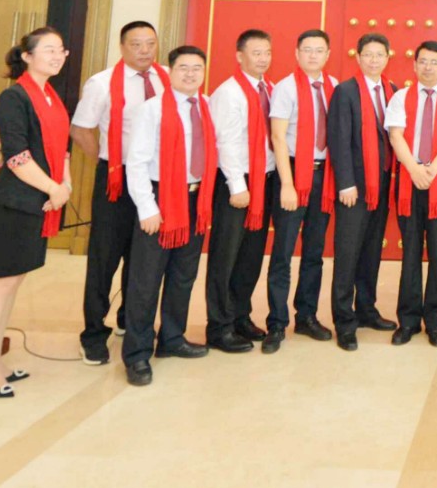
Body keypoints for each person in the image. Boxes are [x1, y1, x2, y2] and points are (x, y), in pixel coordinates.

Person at [0, 27, 73, 398]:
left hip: (40, 202)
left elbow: (61, 148)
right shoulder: (14, 97)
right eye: (48, 49)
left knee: (13, 282)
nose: (57, 55)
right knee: (0, 284)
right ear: (27, 56)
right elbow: (17, 156)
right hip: (16, 202)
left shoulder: (52, 96)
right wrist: (53, 188)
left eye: (60, 50)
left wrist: (65, 185)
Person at [69, 20, 166, 366]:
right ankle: (93, 334)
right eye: (136, 44)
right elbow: (81, 129)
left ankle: (130, 318)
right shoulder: (102, 83)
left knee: (142, 255)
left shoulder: (166, 77)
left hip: (155, 180)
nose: (144, 51)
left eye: (150, 43)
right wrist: (107, 160)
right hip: (116, 178)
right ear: (122, 47)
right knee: (105, 257)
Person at [121, 45, 219, 387]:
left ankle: (172, 338)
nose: (191, 74)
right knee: (146, 280)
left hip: (195, 200)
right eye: (183, 68)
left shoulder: (206, 106)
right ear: (170, 72)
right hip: (161, 199)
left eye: (197, 68)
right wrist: (147, 208)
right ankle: (137, 353)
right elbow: (136, 162)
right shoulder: (152, 109)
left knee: (183, 275)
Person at [384, 41, 437, 346]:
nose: (428, 67)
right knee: (410, 252)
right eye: (423, 61)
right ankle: (407, 321)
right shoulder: (400, 97)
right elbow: (395, 135)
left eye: (434, 62)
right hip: (409, 178)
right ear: (414, 64)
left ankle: (434, 322)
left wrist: (430, 170)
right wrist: (414, 169)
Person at [262, 29, 339, 351]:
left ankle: (306, 316)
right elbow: (277, 137)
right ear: (296, 53)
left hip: (324, 177)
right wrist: (287, 184)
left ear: (328, 54)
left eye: (319, 50)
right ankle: (276, 323)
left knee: (314, 252)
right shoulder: (286, 87)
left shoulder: (333, 86)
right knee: (282, 253)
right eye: (307, 49)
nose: (313, 55)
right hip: (293, 173)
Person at [203, 28, 276, 354]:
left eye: (267, 52)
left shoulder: (269, 89)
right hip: (238, 183)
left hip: (264, 180)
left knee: (250, 255)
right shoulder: (229, 93)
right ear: (239, 56)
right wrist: (237, 185)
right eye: (256, 53)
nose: (263, 59)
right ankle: (219, 326)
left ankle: (239, 315)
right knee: (226, 255)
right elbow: (225, 142)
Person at [327, 33, 400, 351]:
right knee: (347, 254)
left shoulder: (392, 90)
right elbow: (338, 139)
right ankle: (344, 321)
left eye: (379, 55)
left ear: (387, 57)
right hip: (354, 187)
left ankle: (367, 310)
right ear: (357, 57)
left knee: (371, 249)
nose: (373, 60)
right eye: (368, 54)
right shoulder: (345, 91)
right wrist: (345, 183)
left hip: (381, 183)